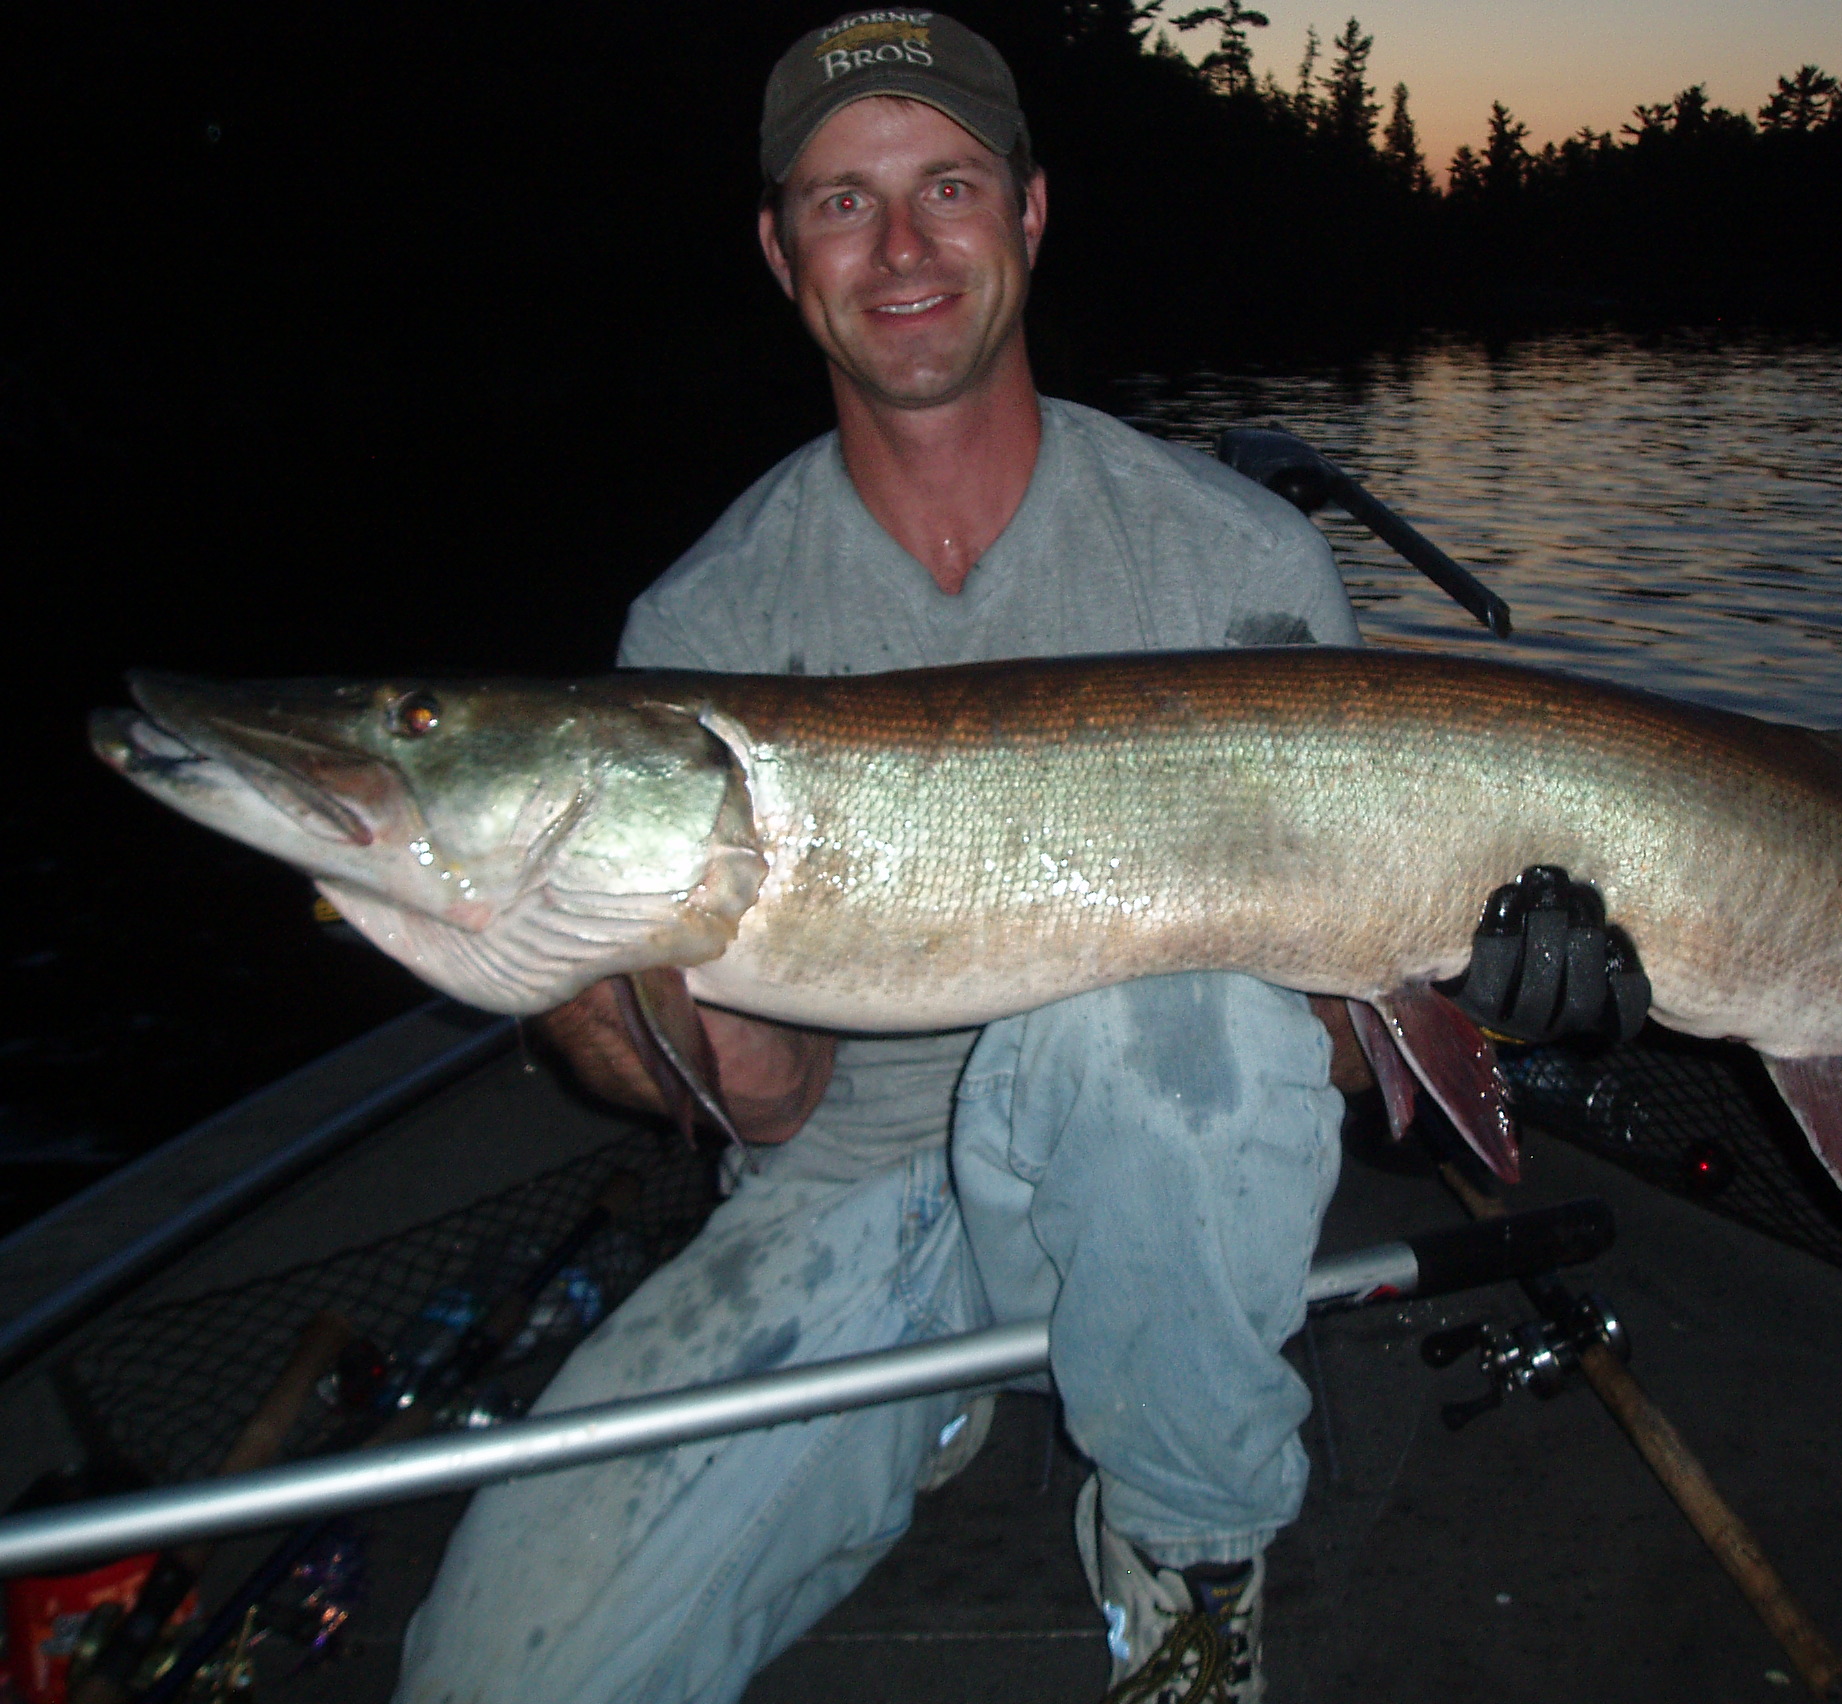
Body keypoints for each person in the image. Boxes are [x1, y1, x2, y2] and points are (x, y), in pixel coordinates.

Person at [395, 14, 1363, 1703]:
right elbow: (763, 1107)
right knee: (504, 1675)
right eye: (843, 204)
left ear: (1032, 214)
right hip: (851, 1195)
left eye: (947, 188)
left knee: (1155, 1034)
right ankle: (923, 1390)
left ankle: (1186, 1540)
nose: (902, 249)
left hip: (1151, 1172)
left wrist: (1485, 973)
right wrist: (595, 991)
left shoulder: (1234, 559)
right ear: (782, 253)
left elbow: (1330, 1028)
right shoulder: (698, 626)